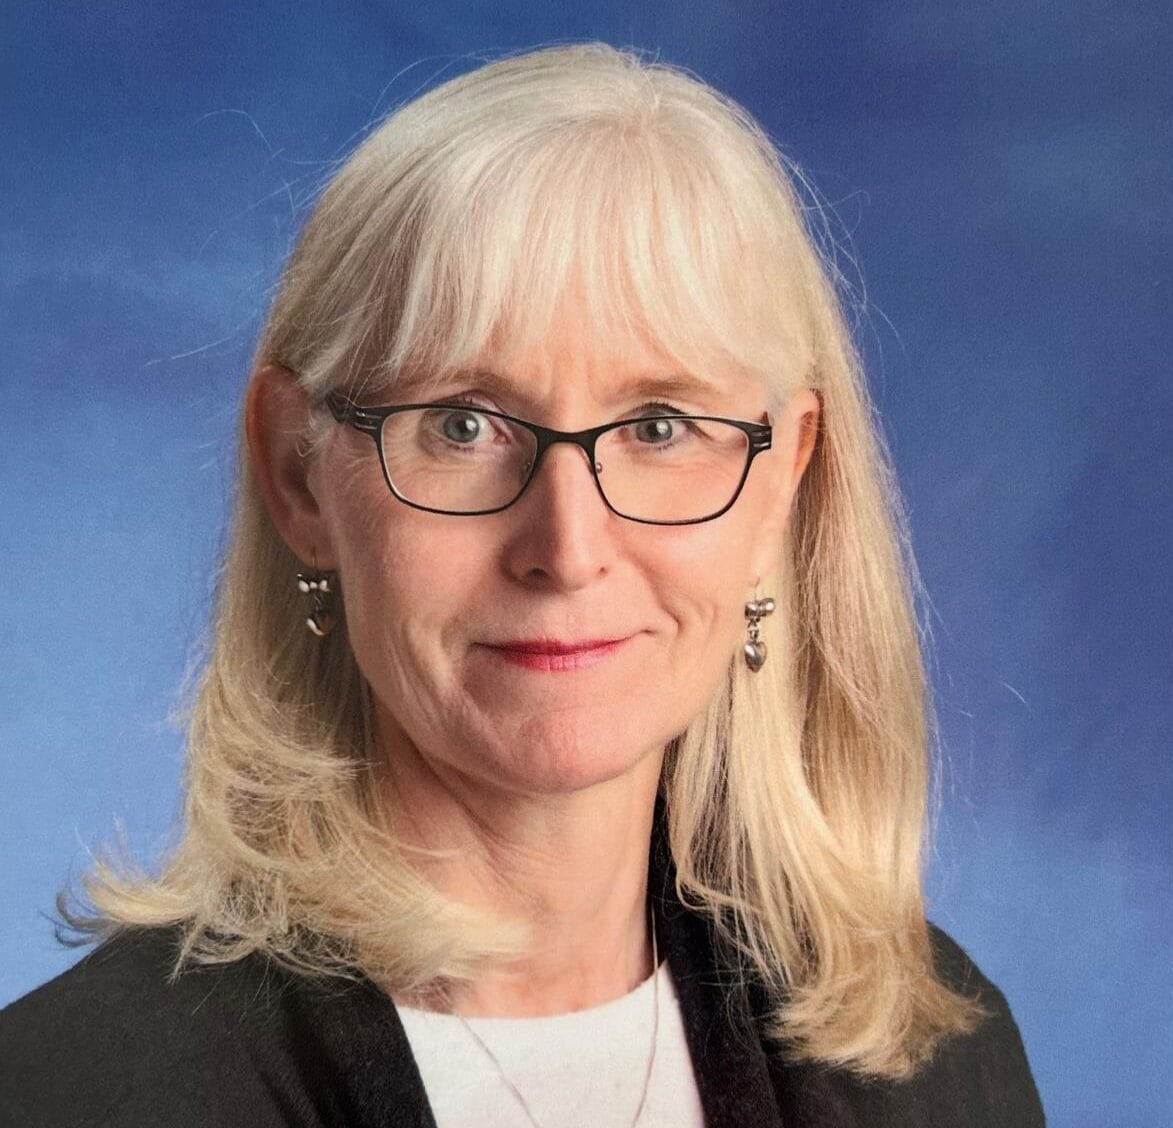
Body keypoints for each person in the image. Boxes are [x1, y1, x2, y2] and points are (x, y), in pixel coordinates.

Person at [0, 42, 1043, 1127]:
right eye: (463, 423)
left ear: (783, 479)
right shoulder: (68, 1091)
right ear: (298, 476)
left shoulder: (931, 1062)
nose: (568, 544)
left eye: (660, 426)